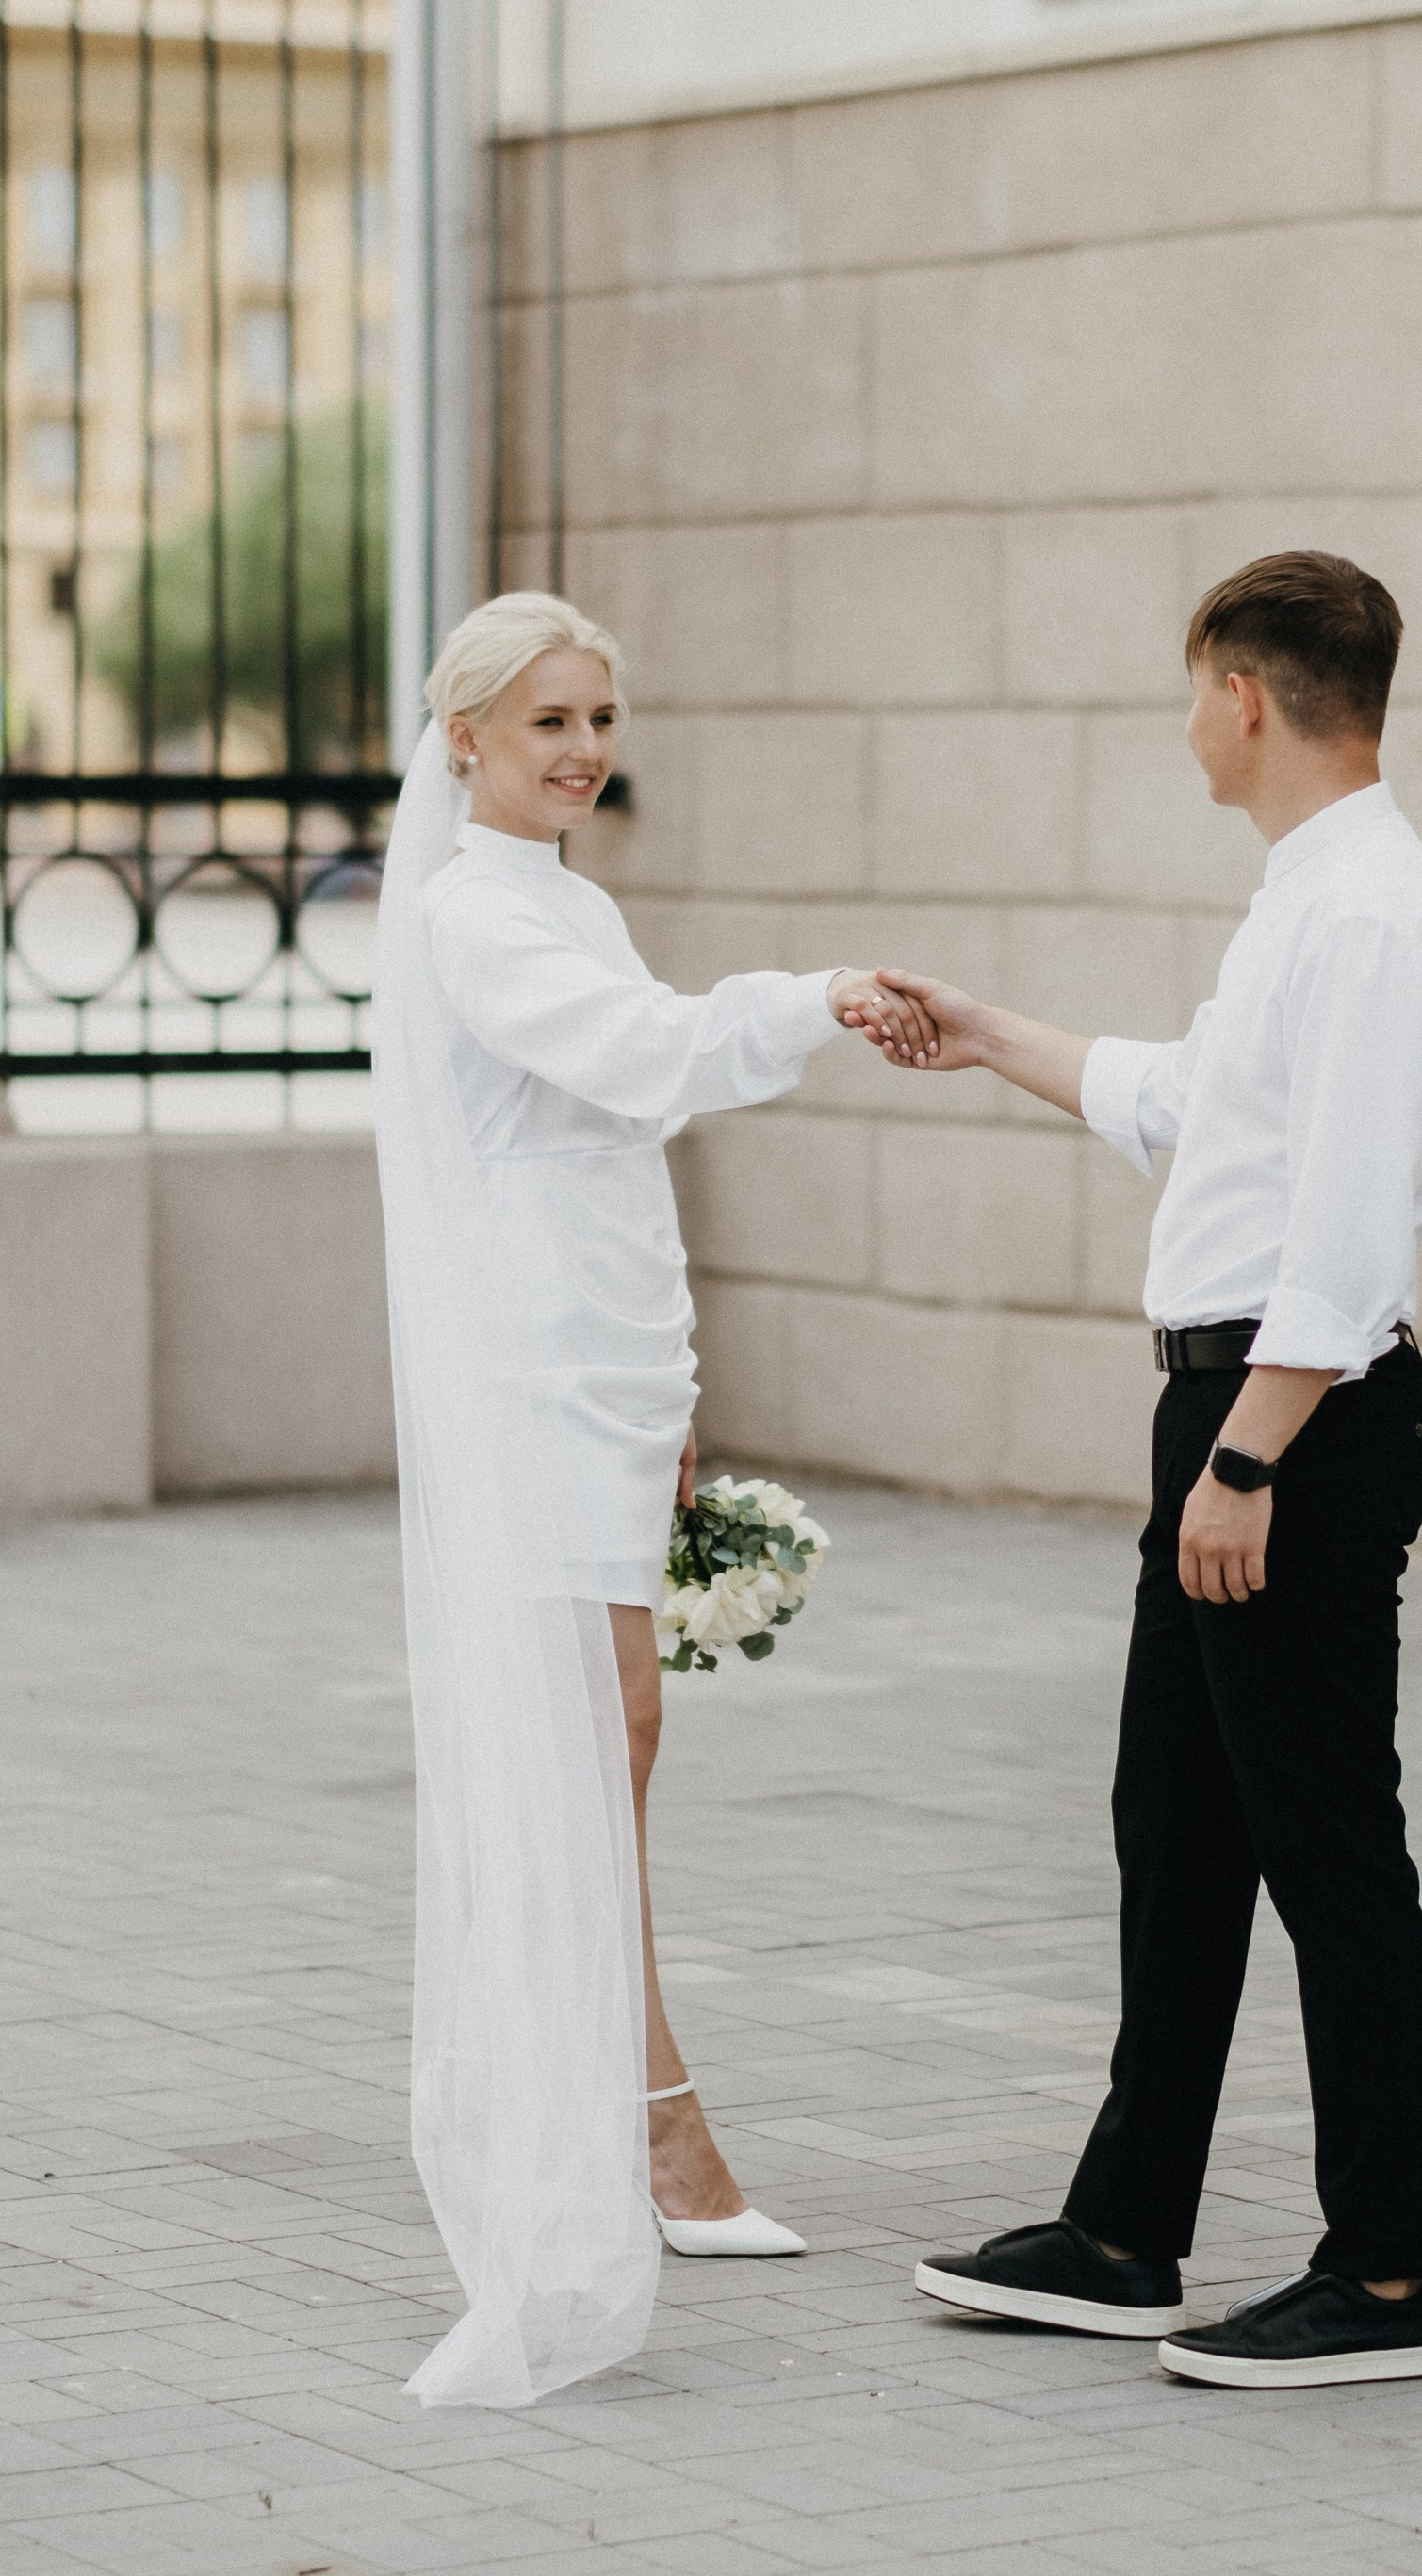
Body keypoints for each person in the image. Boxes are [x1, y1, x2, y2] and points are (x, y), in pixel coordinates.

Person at [886, 551, 1422, 2389]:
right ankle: (1127, 2228)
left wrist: (1242, 1460)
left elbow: (1349, 1238)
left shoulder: (1370, 912)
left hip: (1291, 1426)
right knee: (1180, 1828)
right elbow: (1185, 1109)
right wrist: (987, 1034)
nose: (1185, 721)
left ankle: (1387, 2278)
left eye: (1189, 688)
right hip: (1233, 1422)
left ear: (1240, 692)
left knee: (1328, 1853)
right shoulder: (1307, 901)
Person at [370, 590, 929, 2409]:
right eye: (550, 723)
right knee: (588, 1735)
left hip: (604, 1366)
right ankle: (637, 2122)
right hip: (528, 1368)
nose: (586, 750)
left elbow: (609, 1157)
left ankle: (632, 2103)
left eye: (600, 719)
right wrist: (818, 1000)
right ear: (463, 738)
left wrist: (671, 1397)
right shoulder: (471, 911)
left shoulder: (571, 899)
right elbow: (641, 1065)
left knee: (615, 1740)